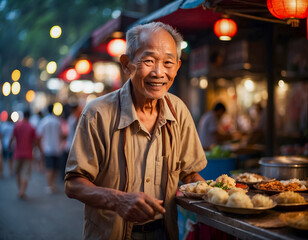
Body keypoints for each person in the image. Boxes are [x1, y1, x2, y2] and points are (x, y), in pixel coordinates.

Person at [64, 22, 207, 240]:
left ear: (177, 67)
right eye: (148, 61)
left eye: (168, 63)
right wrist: (118, 200)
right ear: (127, 64)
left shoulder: (178, 110)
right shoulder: (98, 113)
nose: (159, 72)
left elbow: (189, 174)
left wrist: (218, 194)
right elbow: (73, 184)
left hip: (164, 232)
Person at [8, 110, 42, 199]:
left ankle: (20, 190)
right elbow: (36, 141)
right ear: (29, 116)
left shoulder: (17, 126)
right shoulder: (31, 127)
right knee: (26, 174)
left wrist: (9, 147)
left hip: (17, 153)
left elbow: (12, 138)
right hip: (28, 154)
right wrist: (40, 151)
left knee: (18, 173)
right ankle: (22, 191)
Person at [37, 104, 63, 194]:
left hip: (47, 148)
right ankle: (53, 184)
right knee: (55, 167)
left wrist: (40, 148)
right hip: (57, 147)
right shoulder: (57, 121)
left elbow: (39, 135)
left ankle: (49, 185)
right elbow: (61, 135)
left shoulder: (44, 121)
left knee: (49, 167)